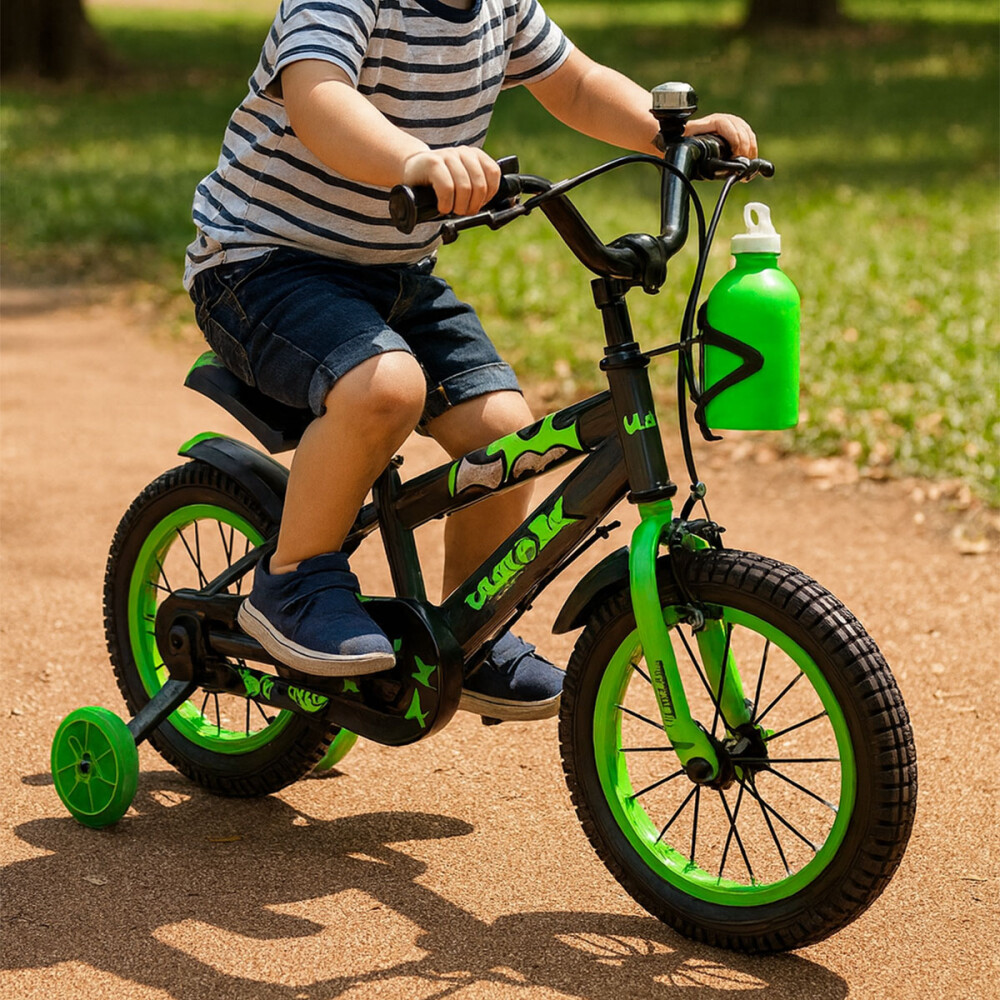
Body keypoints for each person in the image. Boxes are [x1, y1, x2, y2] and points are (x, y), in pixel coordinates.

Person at [184, 0, 756, 722]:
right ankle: (291, 580)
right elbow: (318, 96)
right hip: (261, 265)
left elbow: (575, 84)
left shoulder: (501, 7)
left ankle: (469, 634)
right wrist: (414, 160)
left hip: (394, 273)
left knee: (505, 433)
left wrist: (667, 135)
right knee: (385, 387)